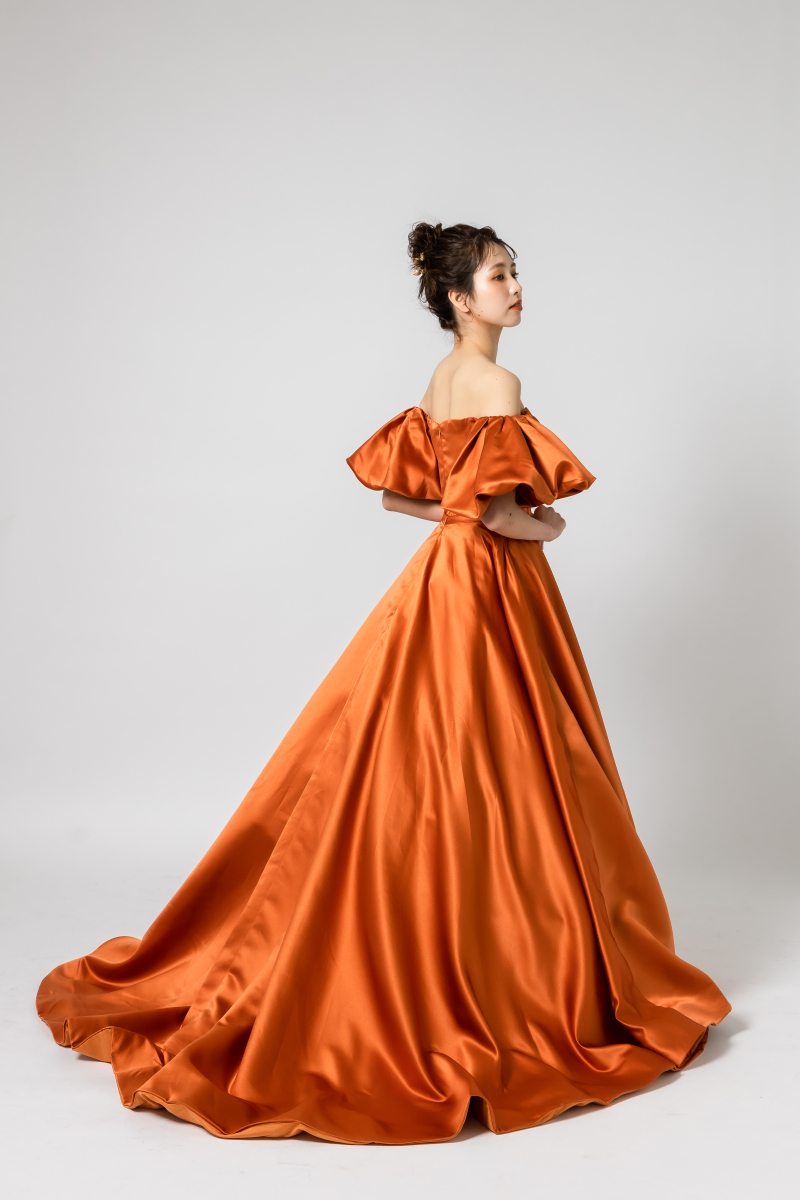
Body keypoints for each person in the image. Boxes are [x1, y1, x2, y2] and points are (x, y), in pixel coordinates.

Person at [37, 221, 730, 1145]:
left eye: (515, 272)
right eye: (498, 276)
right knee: (509, 765)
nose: (515, 287)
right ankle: (504, 961)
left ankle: (422, 943)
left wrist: (464, 517)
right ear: (459, 297)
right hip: (489, 585)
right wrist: (551, 529)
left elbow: (401, 496)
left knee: (428, 763)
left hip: (440, 578)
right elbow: (500, 515)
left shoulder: (440, 382)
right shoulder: (496, 386)